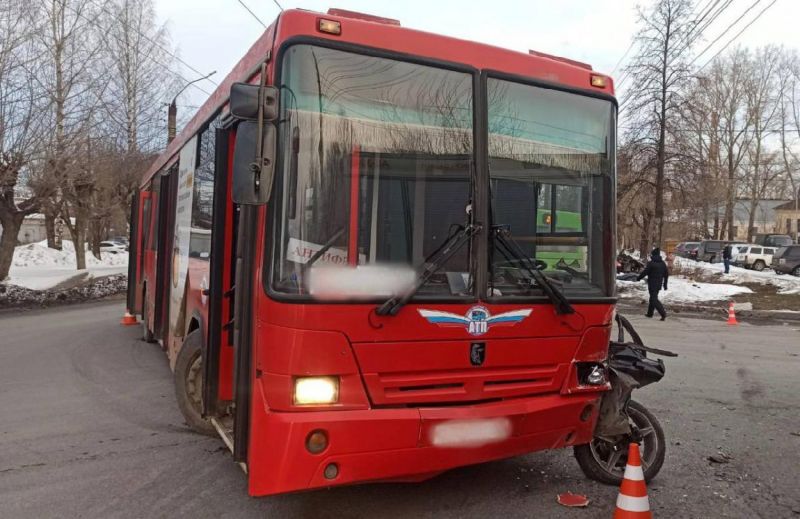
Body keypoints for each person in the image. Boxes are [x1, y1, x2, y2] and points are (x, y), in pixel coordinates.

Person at [637, 247, 669, 321]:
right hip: (658, 284)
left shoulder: (651, 263)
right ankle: (650, 314)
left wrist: (639, 278)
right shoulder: (663, 263)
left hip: (652, 284)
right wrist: (665, 285)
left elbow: (645, 272)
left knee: (654, 299)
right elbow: (666, 275)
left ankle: (663, 313)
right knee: (652, 298)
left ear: (653, 255)